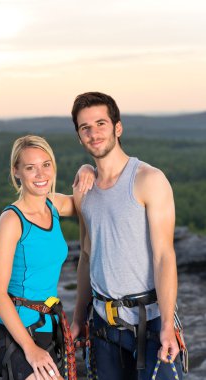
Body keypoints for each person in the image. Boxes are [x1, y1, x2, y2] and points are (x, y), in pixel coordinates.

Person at [70, 92, 184, 380]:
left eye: (101, 124)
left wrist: (169, 325)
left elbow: (164, 256)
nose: (93, 133)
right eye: (85, 128)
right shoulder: (84, 190)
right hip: (102, 328)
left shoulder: (148, 179)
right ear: (79, 136)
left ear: (117, 128)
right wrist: (77, 318)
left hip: (151, 322)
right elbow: (86, 254)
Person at [0, 135, 95, 380]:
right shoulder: (12, 220)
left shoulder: (53, 205)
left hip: (49, 327)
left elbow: (88, 199)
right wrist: (29, 348)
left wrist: (86, 167)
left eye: (46, 164)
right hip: (16, 330)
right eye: (30, 167)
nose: (40, 174)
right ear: (16, 172)